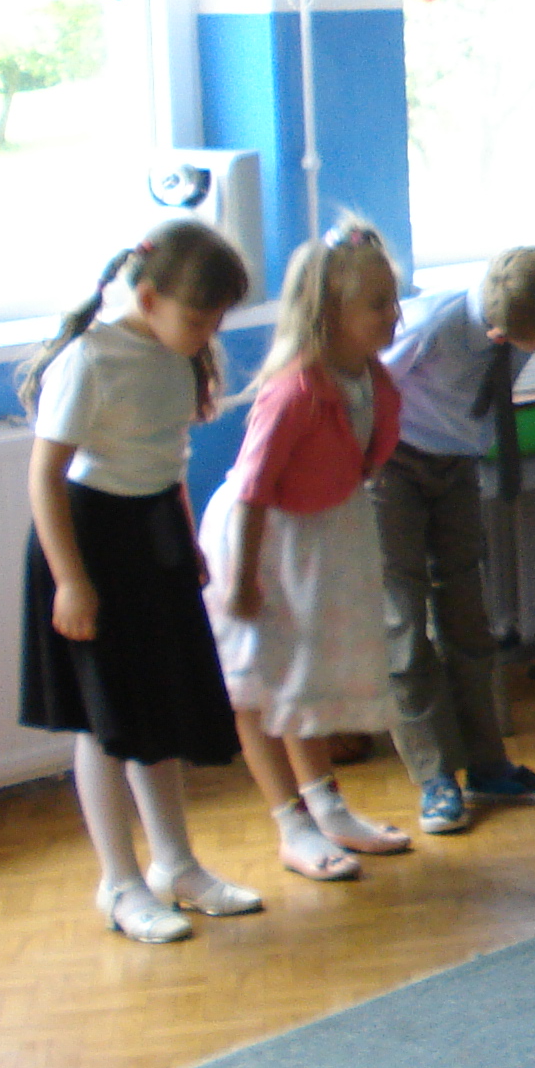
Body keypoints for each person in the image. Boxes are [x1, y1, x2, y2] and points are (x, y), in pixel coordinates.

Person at [18, 224, 256, 942]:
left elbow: (165, 460)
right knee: (106, 722)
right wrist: (72, 582)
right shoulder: (90, 361)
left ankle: (175, 866)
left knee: (158, 710)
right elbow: (45, 478)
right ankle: (119, 884)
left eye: (216, 322)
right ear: (148, 299)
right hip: (89, 545)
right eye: (199, 319)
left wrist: (185, 541)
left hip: (152, 540)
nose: (208, 335)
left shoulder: (177, 357)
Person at [199, 221, 414, 881]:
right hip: (266, 544)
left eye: (393, 300)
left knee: (303, 682)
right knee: (258, 687)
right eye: (377, 304)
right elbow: (255, 490)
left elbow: (362, 460)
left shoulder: (371, 379)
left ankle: (327, 806)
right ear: (329, 313)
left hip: (324, 541)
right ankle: (290, 822)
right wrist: (242, 580)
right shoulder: (293, 391)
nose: (393, 315)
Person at [374, 245, 535, 834]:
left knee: (469, 620)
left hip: (457, 468)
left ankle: (489, 766)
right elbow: (369, 389)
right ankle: (434, 776)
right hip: (395, 467)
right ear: (501, 332)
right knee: (403, 622)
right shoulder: (432, 326)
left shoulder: (517, 322)